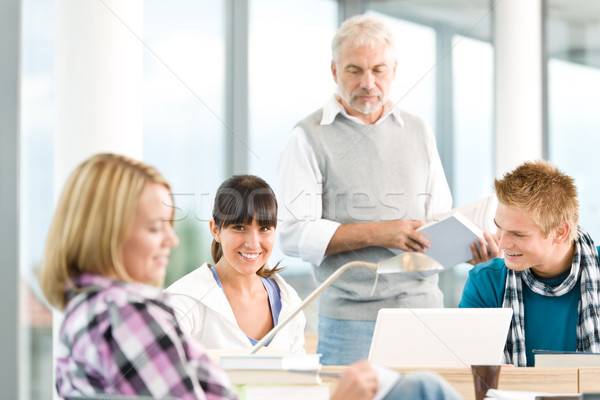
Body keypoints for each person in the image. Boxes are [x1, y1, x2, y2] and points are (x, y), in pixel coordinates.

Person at [41, 153, 458, 400]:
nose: (170, 239)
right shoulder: (130, 315)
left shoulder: (91, 311)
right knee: (422, 390)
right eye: (154, 227)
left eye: (265, 228)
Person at [277, 13, 499, 365]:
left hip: (426, 317)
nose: (368, 82)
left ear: (394, 70)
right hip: (350, 325)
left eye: (378, 69)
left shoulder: (418, 130)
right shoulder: (307, 137)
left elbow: (436, 221)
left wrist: (466, 249)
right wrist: (380, 233)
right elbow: (291, 235)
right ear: (334, 71)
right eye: (354, 70)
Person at [459, 160, 600, 366]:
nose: (502, 242)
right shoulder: (485, 282)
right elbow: (468, 373)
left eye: (518, 234)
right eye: (499, 227)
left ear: (560, 232)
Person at [165, 175, 306, 354]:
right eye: (239, 227)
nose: (253, 243)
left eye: (264, 229)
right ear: (215, 230)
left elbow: (300, 377)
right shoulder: (182, 301)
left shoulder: (289, 302)